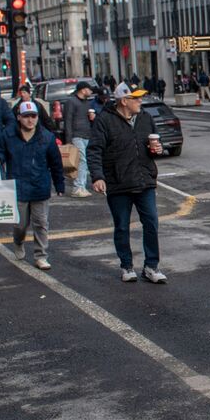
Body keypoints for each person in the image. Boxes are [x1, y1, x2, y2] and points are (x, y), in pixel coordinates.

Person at [87, 88, 167, 284]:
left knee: (151, 223)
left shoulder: (145, 118)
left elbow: (154, 145)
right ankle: (126, 266)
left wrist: (157, 149)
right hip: (118, 183)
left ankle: (151, 266)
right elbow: (94, 150)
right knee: (122, 226)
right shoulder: (104, 120)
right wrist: (98, 176)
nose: (140, 101)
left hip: (144, 180)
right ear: (124, 100)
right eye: (136, 98)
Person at [0, 101, 65, 271]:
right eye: (26, 116)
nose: (30, 120)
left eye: (34, 116)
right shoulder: (8, 135)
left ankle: (41, 256)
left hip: (40, 186)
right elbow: (0, 151)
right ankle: (18, 241)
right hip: (18, 187)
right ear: (19, 117)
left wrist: (59, 185)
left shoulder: (47, 137)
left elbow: (55, 162)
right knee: (20, 224)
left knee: (41, 223)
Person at [62, 80, 96, 197]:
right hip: (76, 135)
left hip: (86, 134)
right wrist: (68, 139)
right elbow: (68, 120)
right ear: (83, 89)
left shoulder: (87, 103)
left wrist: (92, 118)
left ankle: (81, 186)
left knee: (84, 161)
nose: (91, 91)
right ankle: (78, 188)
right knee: (82, 161)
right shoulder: (71, 102)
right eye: (89, 89)